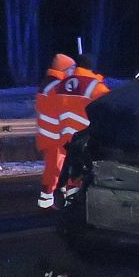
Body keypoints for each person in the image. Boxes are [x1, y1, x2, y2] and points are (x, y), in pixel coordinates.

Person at [51, 55, 111, 203]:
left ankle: (64, 196)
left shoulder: (61, 84)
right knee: (81, 170)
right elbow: (108, 107)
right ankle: (74, 202)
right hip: (83, 136)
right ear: (90, 68)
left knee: (66, 168)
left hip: (63, 134)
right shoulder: (95, 85)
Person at [35, 53, 76, 208]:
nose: (73, 71)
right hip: (56, 136)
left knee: (56, 169)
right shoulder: (57, 86)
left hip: (49, 134)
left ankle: (52, 199)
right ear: (64, 69)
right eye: (71, 68)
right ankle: (47, 202)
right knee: (55, 170)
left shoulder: (48, 83)